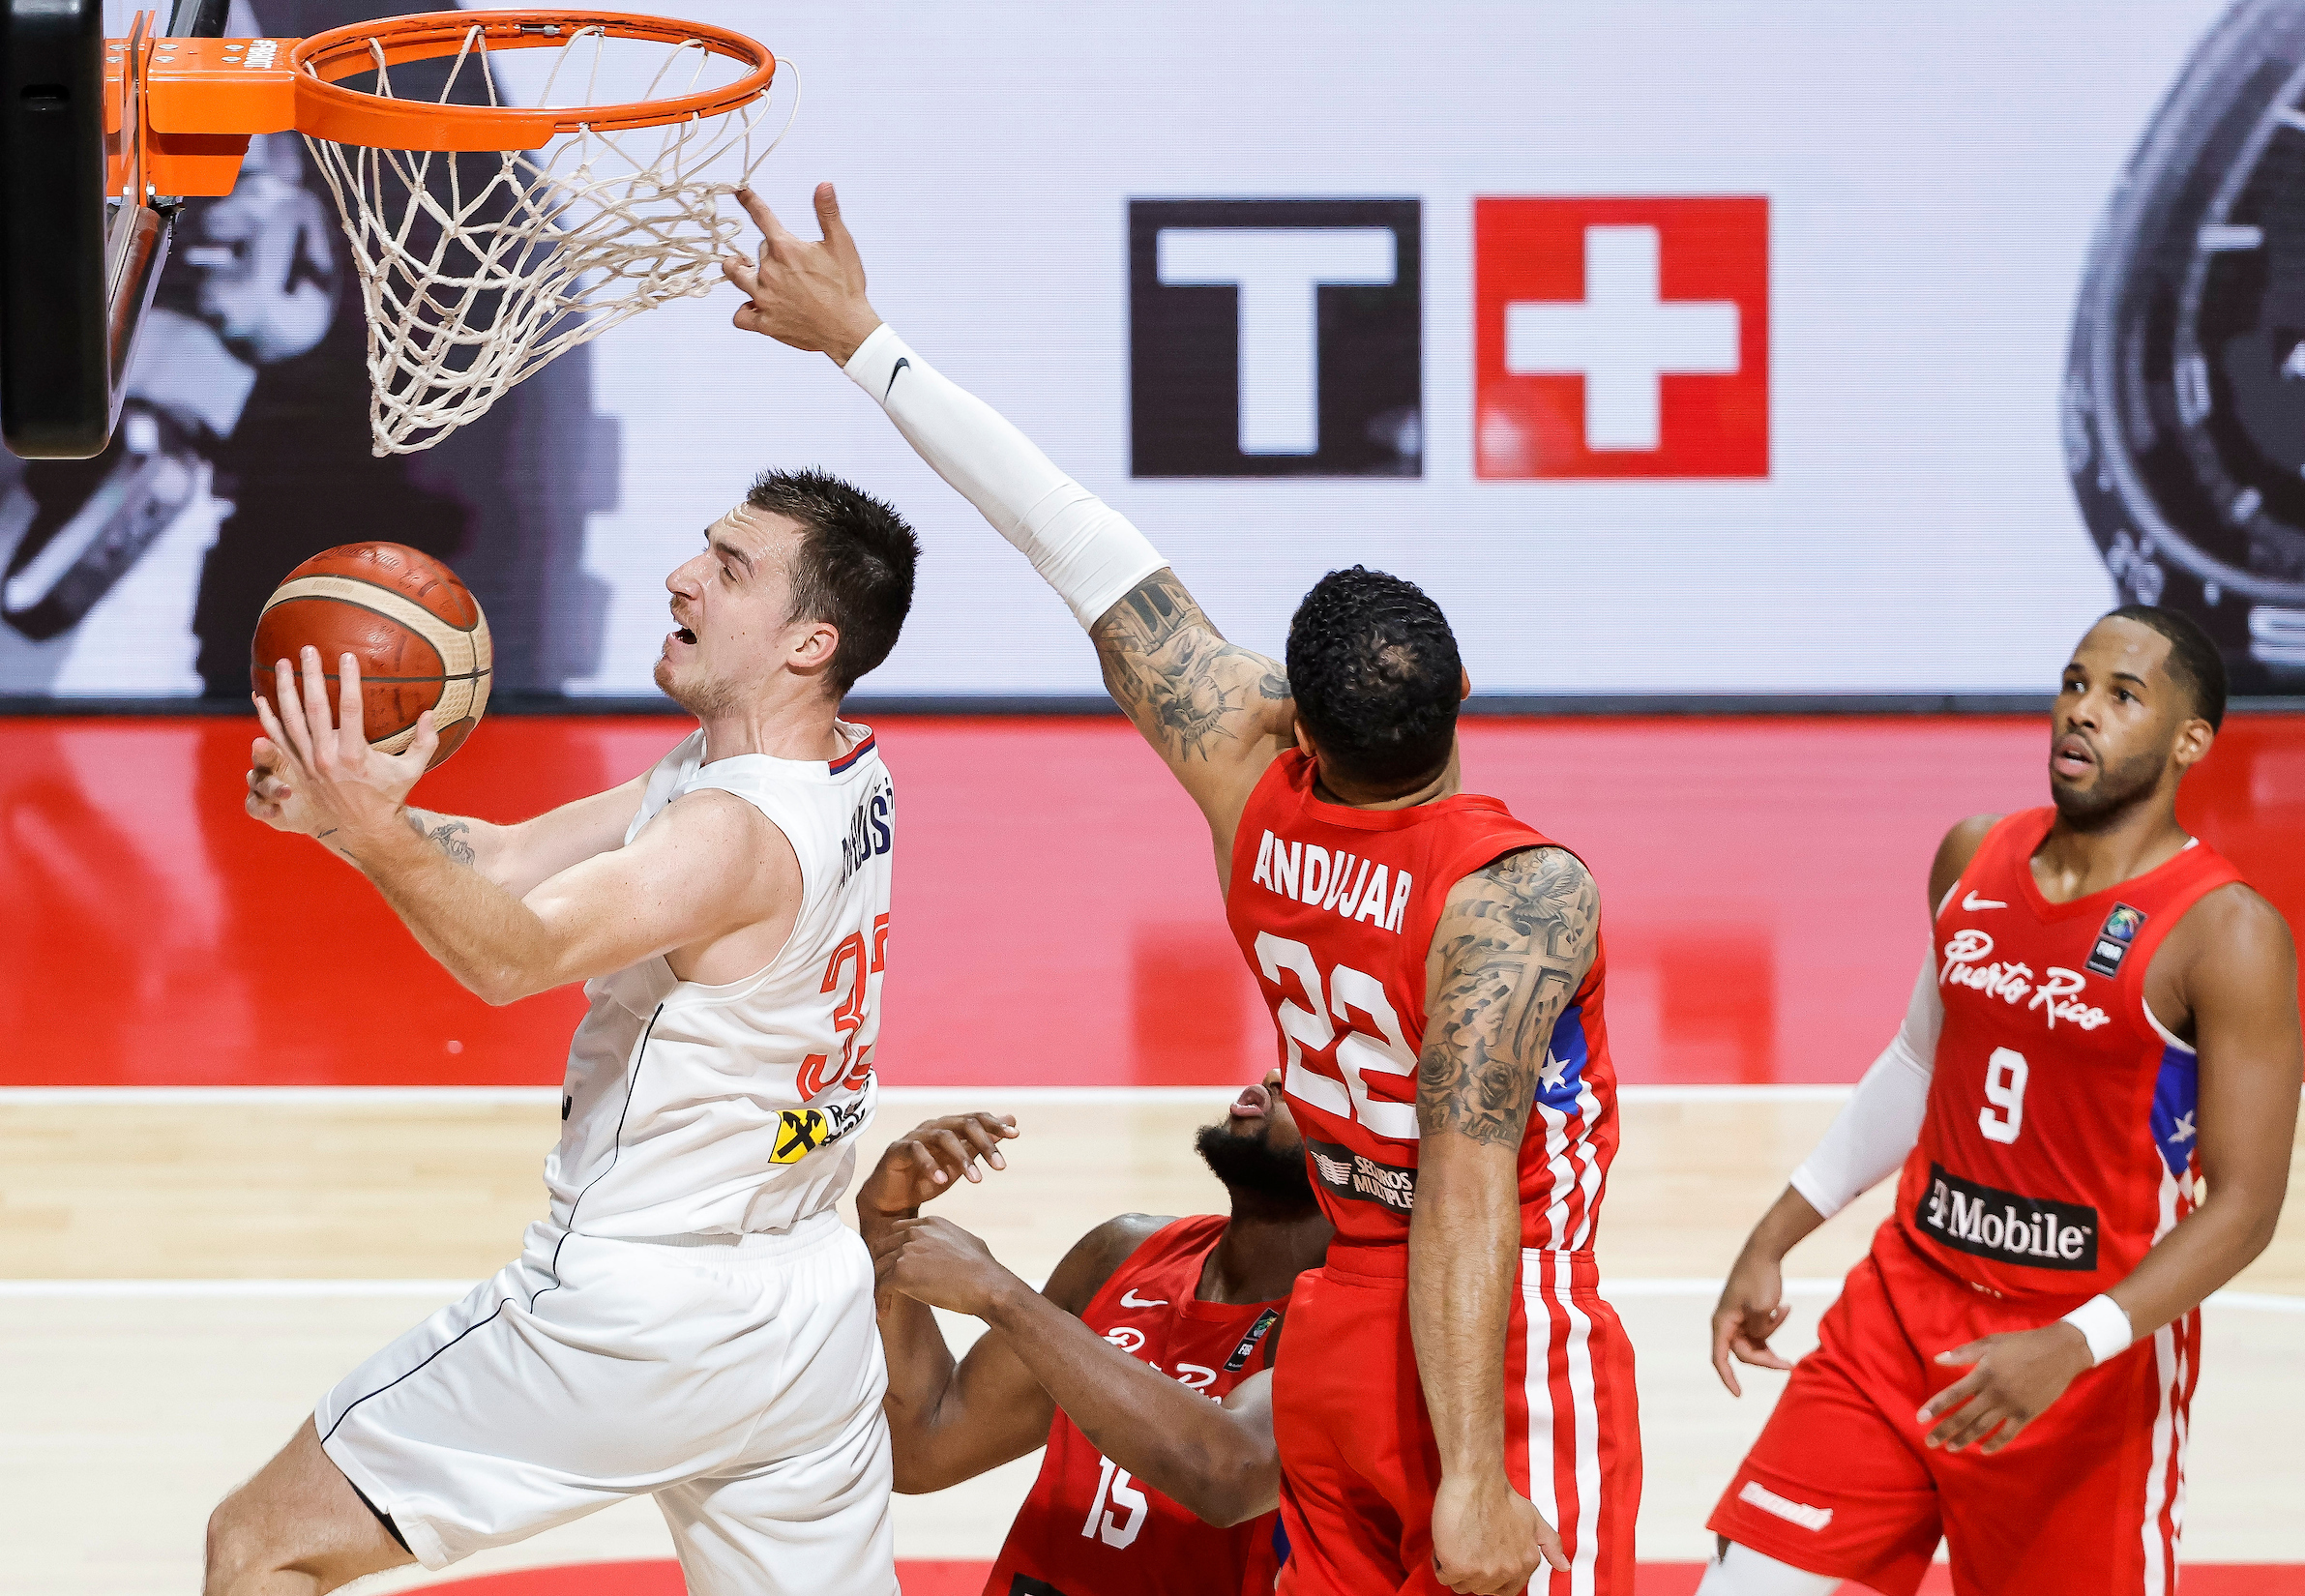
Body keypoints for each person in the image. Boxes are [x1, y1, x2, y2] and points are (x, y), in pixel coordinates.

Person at [724, 183, 1640, 1596]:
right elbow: (1466, 1187)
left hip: (1334, 1333)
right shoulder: (1519, 894)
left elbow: (1070, 533)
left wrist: (864, 341)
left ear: (1302, 724)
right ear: (1465, 691)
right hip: (1497, 1347)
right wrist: (1473, 1476)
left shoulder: (1244, 768)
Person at [210, 470, 920, 1596]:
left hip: (641, 1320)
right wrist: (350, 823)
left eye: (730, 571)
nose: (684, 577)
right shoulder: (829, 763)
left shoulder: (731, 833)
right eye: (705, 548)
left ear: (807, 642)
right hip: (805, 1318)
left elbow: (512, 956)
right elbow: (509, 865)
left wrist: (372, 829)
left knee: (262, 1547)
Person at [1698, 607, 2304, 1596]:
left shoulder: (2227, 934)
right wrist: (1774, 1234)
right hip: (1897, 1321)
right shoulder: (1972, 857)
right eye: (2073, 684)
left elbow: (2247, 1207)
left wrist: (2074, 1345)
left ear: (2192, 740)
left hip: (2079, 1360)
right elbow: (1916, 1063)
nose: (2082, 713)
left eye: (2123, 695)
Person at [858, 1070, 1330, 1596]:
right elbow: (924, 1446)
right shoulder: (1122, 1253)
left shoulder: (1347, 1320)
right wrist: (888, 1222)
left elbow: (1230, 1477)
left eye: (1320, 1077)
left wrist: (1004, 1296)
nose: (1274, 1075)